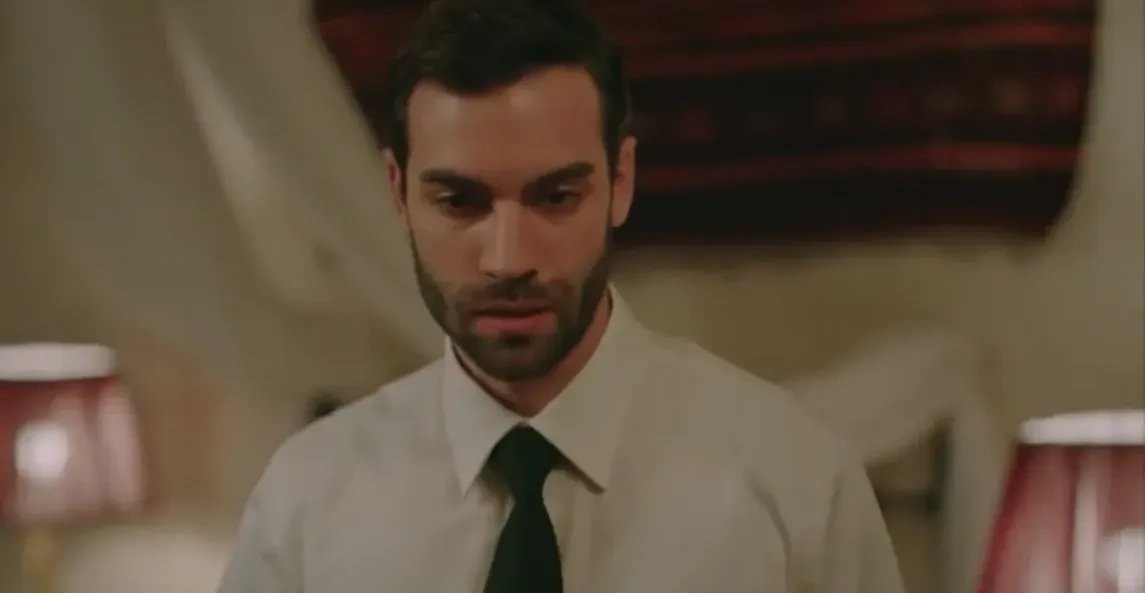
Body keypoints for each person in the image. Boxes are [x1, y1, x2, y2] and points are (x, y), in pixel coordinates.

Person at [216, 0, 906, 591]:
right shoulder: (307, 500)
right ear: (398, 195)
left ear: (621, 181)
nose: (509, 258)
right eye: (459, 201)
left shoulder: (793, 480)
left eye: (555, 197)